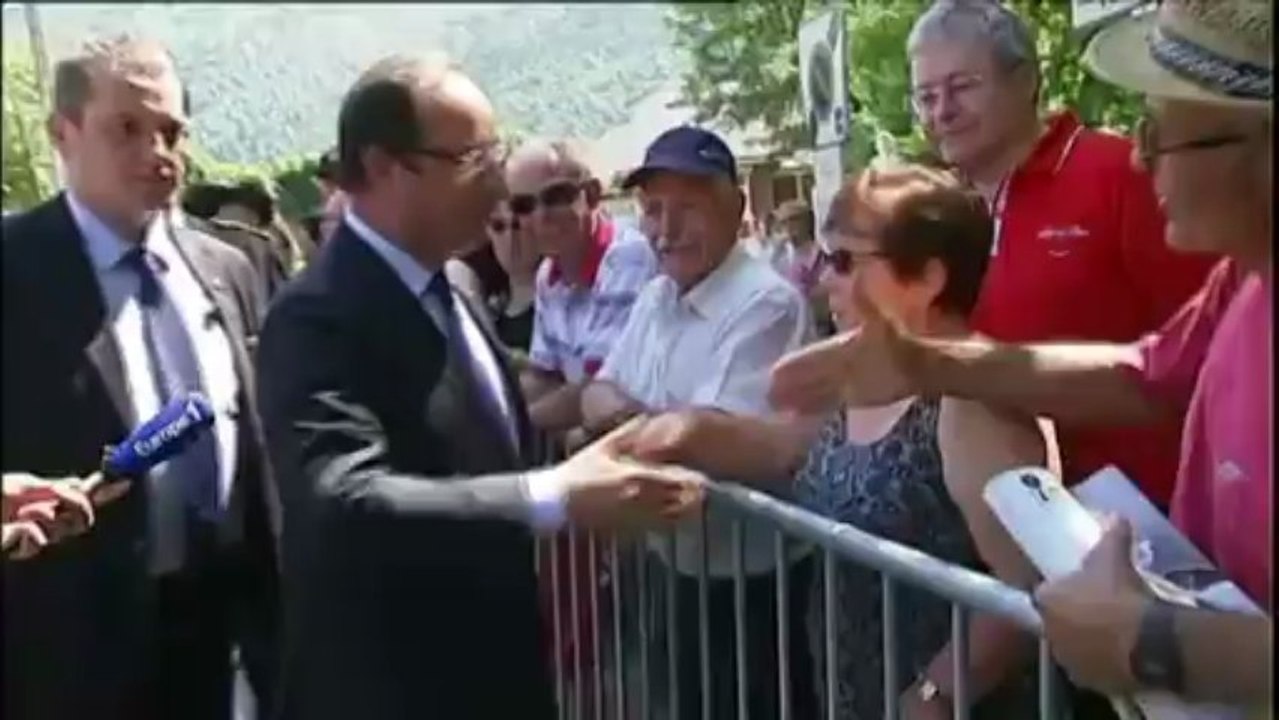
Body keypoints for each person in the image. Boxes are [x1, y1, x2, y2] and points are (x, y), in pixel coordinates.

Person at [770, 0, 1272, 705]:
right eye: (926, 93)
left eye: (1162, 134)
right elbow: (1147, 376)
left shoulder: (1115, 187)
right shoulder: (1242, 277)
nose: (1139, 155)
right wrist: (929, 365)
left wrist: (1151, 641)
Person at [255, 54, 704, 720]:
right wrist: (553, 496)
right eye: (475, 158)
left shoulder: (454, 292)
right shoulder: (316, 316)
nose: (499, 184)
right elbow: (342, 502)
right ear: (384, 167)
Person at [628, 164, 1048, 719]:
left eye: (846, 262)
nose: (824, 278)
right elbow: (778, 447)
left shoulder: (971, 404)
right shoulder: (851, 379)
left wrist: (936, 694)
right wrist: (658, 440)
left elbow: (1028, 585)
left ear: (926, 277)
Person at [1, 36, 280, 720]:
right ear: (63, 134)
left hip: (220, 641)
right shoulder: (12, 270)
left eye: (171, 131)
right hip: (64, 654)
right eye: (127, 128)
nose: (157, 151)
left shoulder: (228, 268)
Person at [907, 0, 1217, 509]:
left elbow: (1206, 354)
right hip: (1007, 537)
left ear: (1025, 79)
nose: (942, 111)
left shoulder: (1120, 174)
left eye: (962, 87)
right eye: (925, 96)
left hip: (1151, 528)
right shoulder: (936, 213)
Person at [580, 126, 817, 720]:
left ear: (736, 208)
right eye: (654, 209)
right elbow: (598, 391)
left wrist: (640, 427)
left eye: (688, 207)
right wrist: (647, 424)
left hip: (755, 584)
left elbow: (711, 436)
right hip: (676, 568)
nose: (666, 227)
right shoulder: (657, 295)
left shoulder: (765, 301)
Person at [509, 139, 658, 437]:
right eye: (524, 206)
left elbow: (595, 388)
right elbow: (544, 375)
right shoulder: (548, 275)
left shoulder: (629, 259)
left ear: (591, 195)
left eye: (555, 197)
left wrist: (511, 425)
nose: (540, 216)